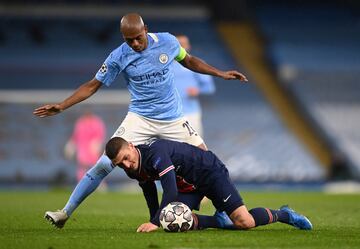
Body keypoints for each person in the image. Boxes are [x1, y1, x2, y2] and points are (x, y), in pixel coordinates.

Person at [36, 13, 248, 228]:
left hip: (173, 118)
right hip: (140, 117)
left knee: (207, 162)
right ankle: (64, 212)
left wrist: (220, 73)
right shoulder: (118, 56)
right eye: (129, 40)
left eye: (138, 37)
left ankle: (223, 212)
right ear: (123, 38)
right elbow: (93, 85)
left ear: (146, 29)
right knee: (104, 163)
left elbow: (190, 61)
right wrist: (62, 105)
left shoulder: (167, 41)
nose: (135, 44)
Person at [104, 137, 313, 232]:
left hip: (209, 172)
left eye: (125, 157)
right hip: (190, 185)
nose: (125, 164)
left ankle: (285, 214)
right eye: (119, 164)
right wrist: (153, 220)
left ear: (131, 146)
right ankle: (219, 221)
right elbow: (150, 194)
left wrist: (156, 223)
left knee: (244, 222)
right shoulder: (132, 169)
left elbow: (169, 190)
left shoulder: (155, 153)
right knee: (175, 221)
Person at [173, 34, 216, 137]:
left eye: (184, 44)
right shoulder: (163, 66)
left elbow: (210, 88)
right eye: (179, 45)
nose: (181, 47)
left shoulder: (196, 65)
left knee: (195, 147)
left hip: (190, 112)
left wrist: (198, 90)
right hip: (170, 114)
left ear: (188, 46)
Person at [64, 110, 106, 182]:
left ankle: (99, 184)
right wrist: (71, 145)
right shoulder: (80, 122)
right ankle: (82, 183)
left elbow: (100, 135)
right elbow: (75, 135)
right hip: (82, 148)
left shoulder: (96, 122)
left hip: (92, 148)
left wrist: (97, 145)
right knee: (82, 167)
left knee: (95, 166)